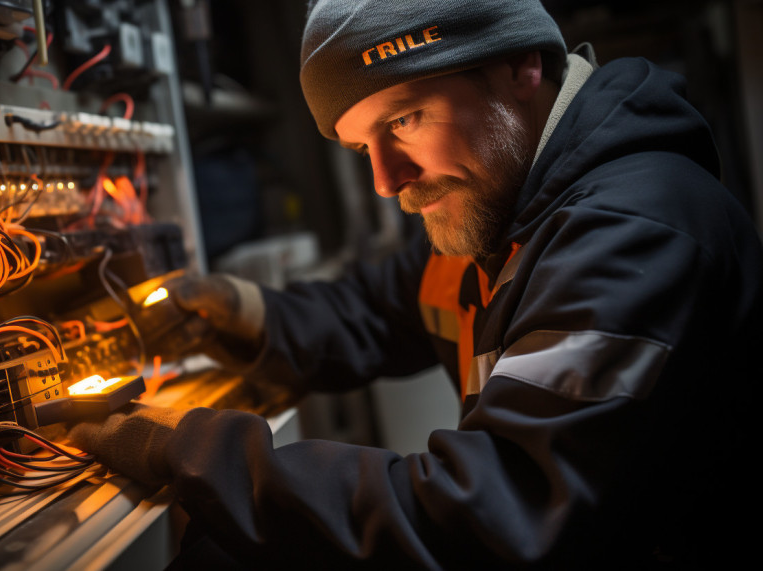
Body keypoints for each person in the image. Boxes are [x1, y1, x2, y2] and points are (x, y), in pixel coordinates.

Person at [69, 0, 763, 568]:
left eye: (404, 119)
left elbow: (490, 518)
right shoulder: (505, 214)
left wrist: (182, 447)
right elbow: (374, 308)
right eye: (360, 146)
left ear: (522, 65)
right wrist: (238, 312)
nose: (385, 180)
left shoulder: (634, 229)